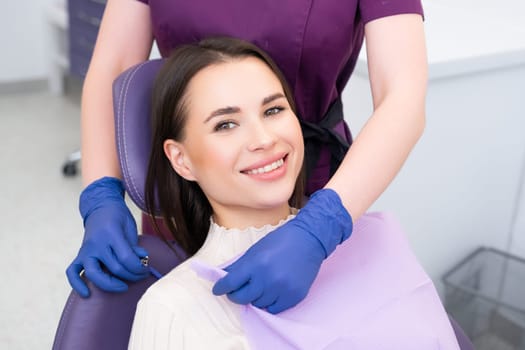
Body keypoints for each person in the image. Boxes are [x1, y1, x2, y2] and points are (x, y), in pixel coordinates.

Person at [67, 0, 427, 314]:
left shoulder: (323, 222)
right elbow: (113, 67)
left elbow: (403, 96)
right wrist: (100, 196)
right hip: (189, 193)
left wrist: (321, 227)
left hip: (309, 195)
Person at [128, 37, 458, 349]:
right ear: (181, 160)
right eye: (226, 124)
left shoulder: (376, 242)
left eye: (273, 110)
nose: (265, 138)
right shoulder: (173, 307)